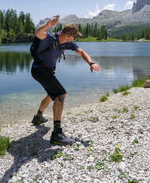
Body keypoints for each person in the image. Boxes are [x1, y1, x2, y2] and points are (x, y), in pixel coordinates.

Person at [31, 15, 101, 146]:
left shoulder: (67, 43)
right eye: (74, 36)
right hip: (39, 70)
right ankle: (57, 134)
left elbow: (81, 52)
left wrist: (91, 63)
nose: (74, 39)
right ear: (68, 36)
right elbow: (38, 33)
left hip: (46, 71)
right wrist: (47, 25)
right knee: (60, 94)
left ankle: (38, 117)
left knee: (53, 94)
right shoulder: (49, 38)